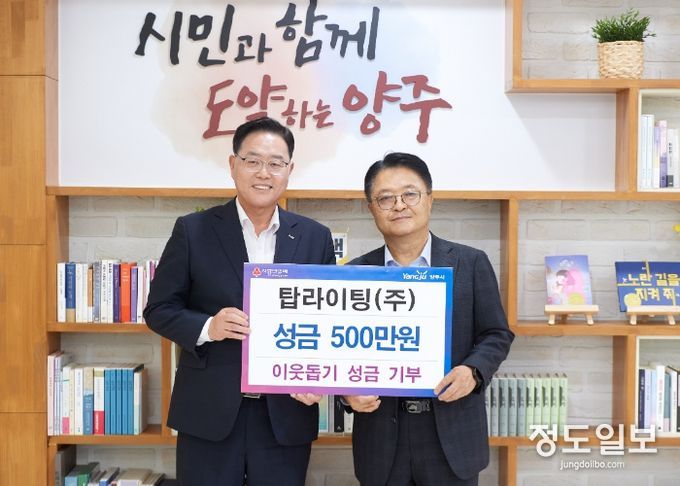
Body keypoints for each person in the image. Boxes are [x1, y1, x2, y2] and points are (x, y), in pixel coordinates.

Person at [143, 117, 336, 485]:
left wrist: (318, 379)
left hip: (285, 414)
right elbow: (158, 310)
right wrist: (208, 327)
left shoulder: (315, 237)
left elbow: (328, 322)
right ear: (233, 165)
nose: (264, 173)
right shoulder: (193, 230)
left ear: (289, 170)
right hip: (209, 412)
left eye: (276, 163)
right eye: (253, 161)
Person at [344, 152, 514, 486]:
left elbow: (496, 333)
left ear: (430, 199)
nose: (399, 205)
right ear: (371, 208)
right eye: (385, 198)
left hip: (452, 435)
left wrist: (473, 371)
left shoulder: (470, 262)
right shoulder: (355, 273)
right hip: (381, 437)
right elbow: (339, 349)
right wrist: (347, 393)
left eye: (410, 194)